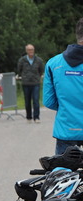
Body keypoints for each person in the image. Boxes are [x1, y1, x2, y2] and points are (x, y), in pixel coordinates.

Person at [43, 18, 83, 154]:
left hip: (66, 129)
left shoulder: (53, 63)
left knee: (63, 173)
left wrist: (67, 108)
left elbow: (48, 101)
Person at [17, 44, 45, 123]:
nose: (31, 52)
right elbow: (19, 69)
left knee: (36, 100)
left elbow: (41, 70)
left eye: (32, 50)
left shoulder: (38, 60)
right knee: (27, 101)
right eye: (29, 50)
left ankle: (36, 117)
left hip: (35, 82)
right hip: (26, 83)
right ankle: (28, 117)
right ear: (26, 51)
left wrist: (38, 77)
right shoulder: (22, 60)